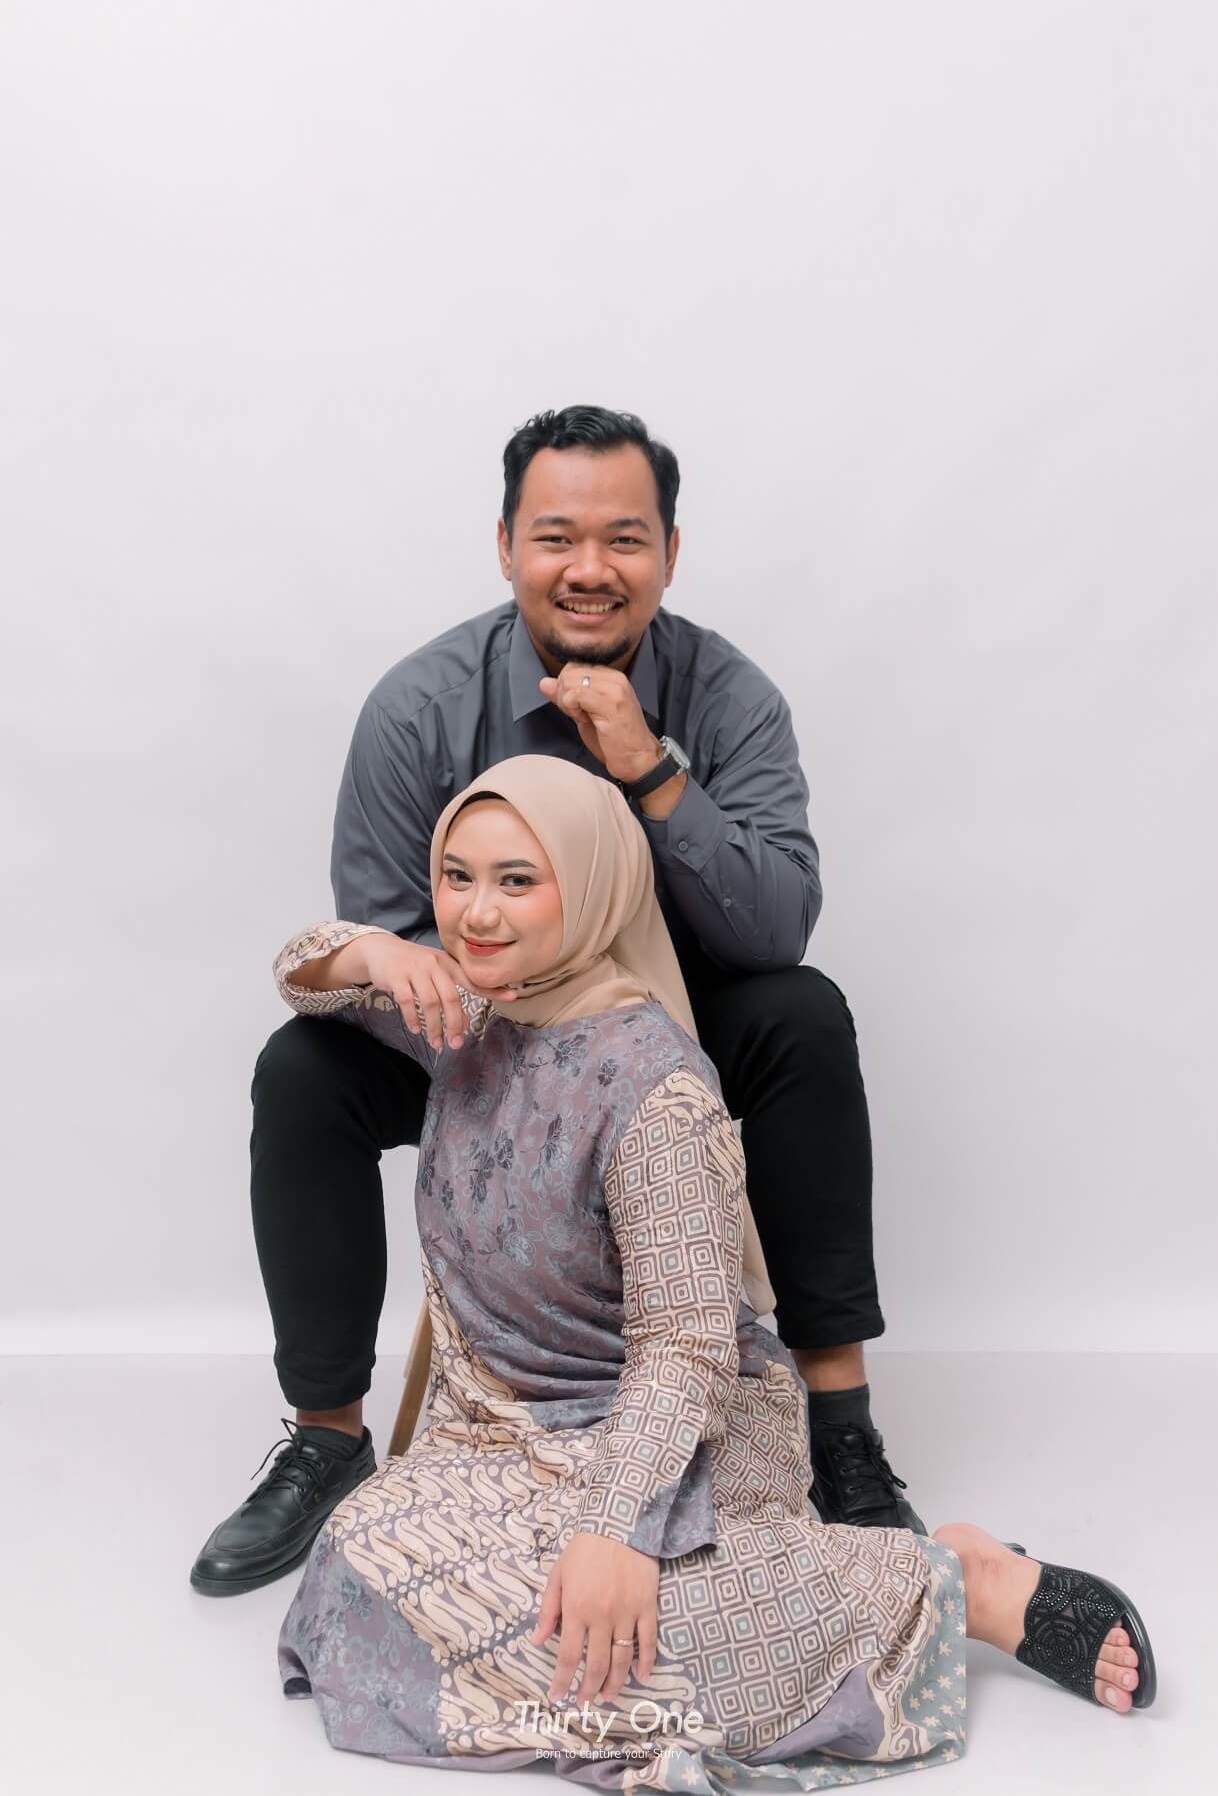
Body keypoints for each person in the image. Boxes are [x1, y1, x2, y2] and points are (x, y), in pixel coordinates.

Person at [272, 754, 1155, 1788]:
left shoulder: (657, 1090)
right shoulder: (463, 1018)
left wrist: (615, 1531)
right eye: (456, 876)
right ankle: (617, 1651)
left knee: (663, 1621)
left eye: (518, 880)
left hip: (679, 1429)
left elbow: (684, 1348)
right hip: (504, 1441)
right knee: (356, 1565)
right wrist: (376, 950)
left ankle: (951, 1582)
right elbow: (297, 974)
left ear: (592, 885)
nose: (476, 912)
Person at [194, 402, 915, 1599]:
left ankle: (842, 1427)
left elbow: (774, 925)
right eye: (556, 538)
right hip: (480, 1039)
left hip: (668, 1034)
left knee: (803, 1012)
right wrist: (488, 1014)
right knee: (302, 1069)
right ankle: (326, 1437)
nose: (590, 568)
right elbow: (386, 932)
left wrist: (650, 769)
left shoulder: (728, 697)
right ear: (505, 546)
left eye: (624, 539)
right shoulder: (420, 705)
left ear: (669, 552)